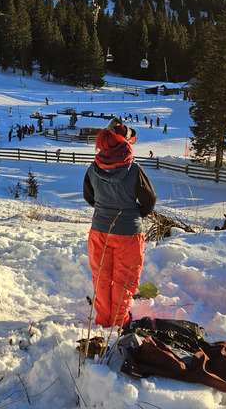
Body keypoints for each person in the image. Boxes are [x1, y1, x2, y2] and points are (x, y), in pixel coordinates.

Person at [83, 117, 157, 328]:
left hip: (99, 231)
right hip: (129, 235)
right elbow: (149, 201)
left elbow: (89, 197)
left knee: (102, 277)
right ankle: (118, 321)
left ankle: (103, 320)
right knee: (125, 280)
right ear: (125, 144)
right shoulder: (134, 170)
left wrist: (105, 209)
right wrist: (133, 215)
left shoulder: (93, 168)